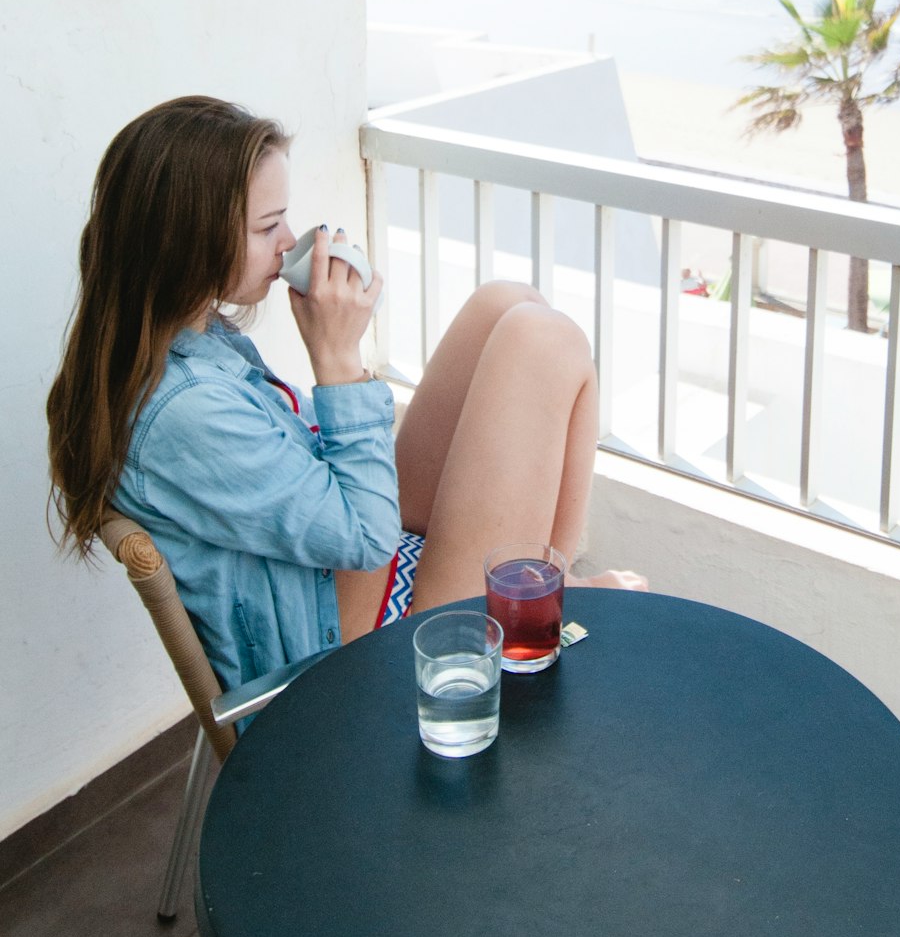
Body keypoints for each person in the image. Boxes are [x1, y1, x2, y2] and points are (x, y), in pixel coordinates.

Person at [47, 95, 644, 693]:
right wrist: (337, 360)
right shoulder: (187, 410)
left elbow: (314, 487)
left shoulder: (188, 339)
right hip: (352, 661)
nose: (288, 241)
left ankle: (542, 593)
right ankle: (540, 609)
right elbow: (365, 535)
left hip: (346, 580)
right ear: (186, 241)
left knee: (505, 302)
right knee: (544, 341)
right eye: (265, 226)